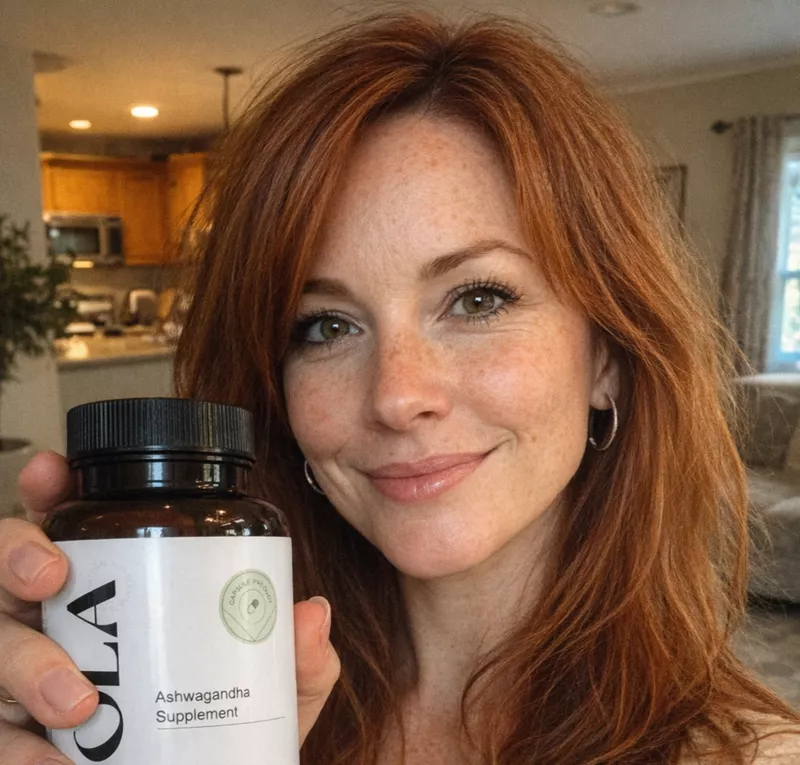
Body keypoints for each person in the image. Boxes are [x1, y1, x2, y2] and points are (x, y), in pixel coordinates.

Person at [1, 12, 799, 765]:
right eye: (324, 325)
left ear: (607, 357)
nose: (396, 394)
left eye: (478, 299)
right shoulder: (225, 717)